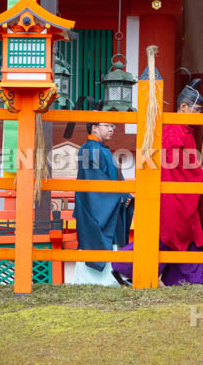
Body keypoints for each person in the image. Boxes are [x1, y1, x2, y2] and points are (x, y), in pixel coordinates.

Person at [112, 79, 203, 285]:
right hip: (173, 197)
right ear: (183, 107)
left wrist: (196, 172)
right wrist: (198, 173)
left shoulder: (184, 131)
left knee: (188, 235)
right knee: (169, 236)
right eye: (196, 109)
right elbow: (174, 166)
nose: (199, 114)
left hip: (181, 195)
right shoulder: (174, 131)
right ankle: (124, 267)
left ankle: (187, 281)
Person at [71, 115, 134, 286]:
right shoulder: (89, 150)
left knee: (113, 242)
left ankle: (112, 279)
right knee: (99, 241)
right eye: (107, 125)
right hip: (96, 208)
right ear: (94, 127)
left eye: (113, 125)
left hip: (110, 205)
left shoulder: (101, 150)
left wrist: (124, 195)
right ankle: (98, 281)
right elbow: (95, 182)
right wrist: (121, 196)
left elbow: (112, 180)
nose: (112, 129)